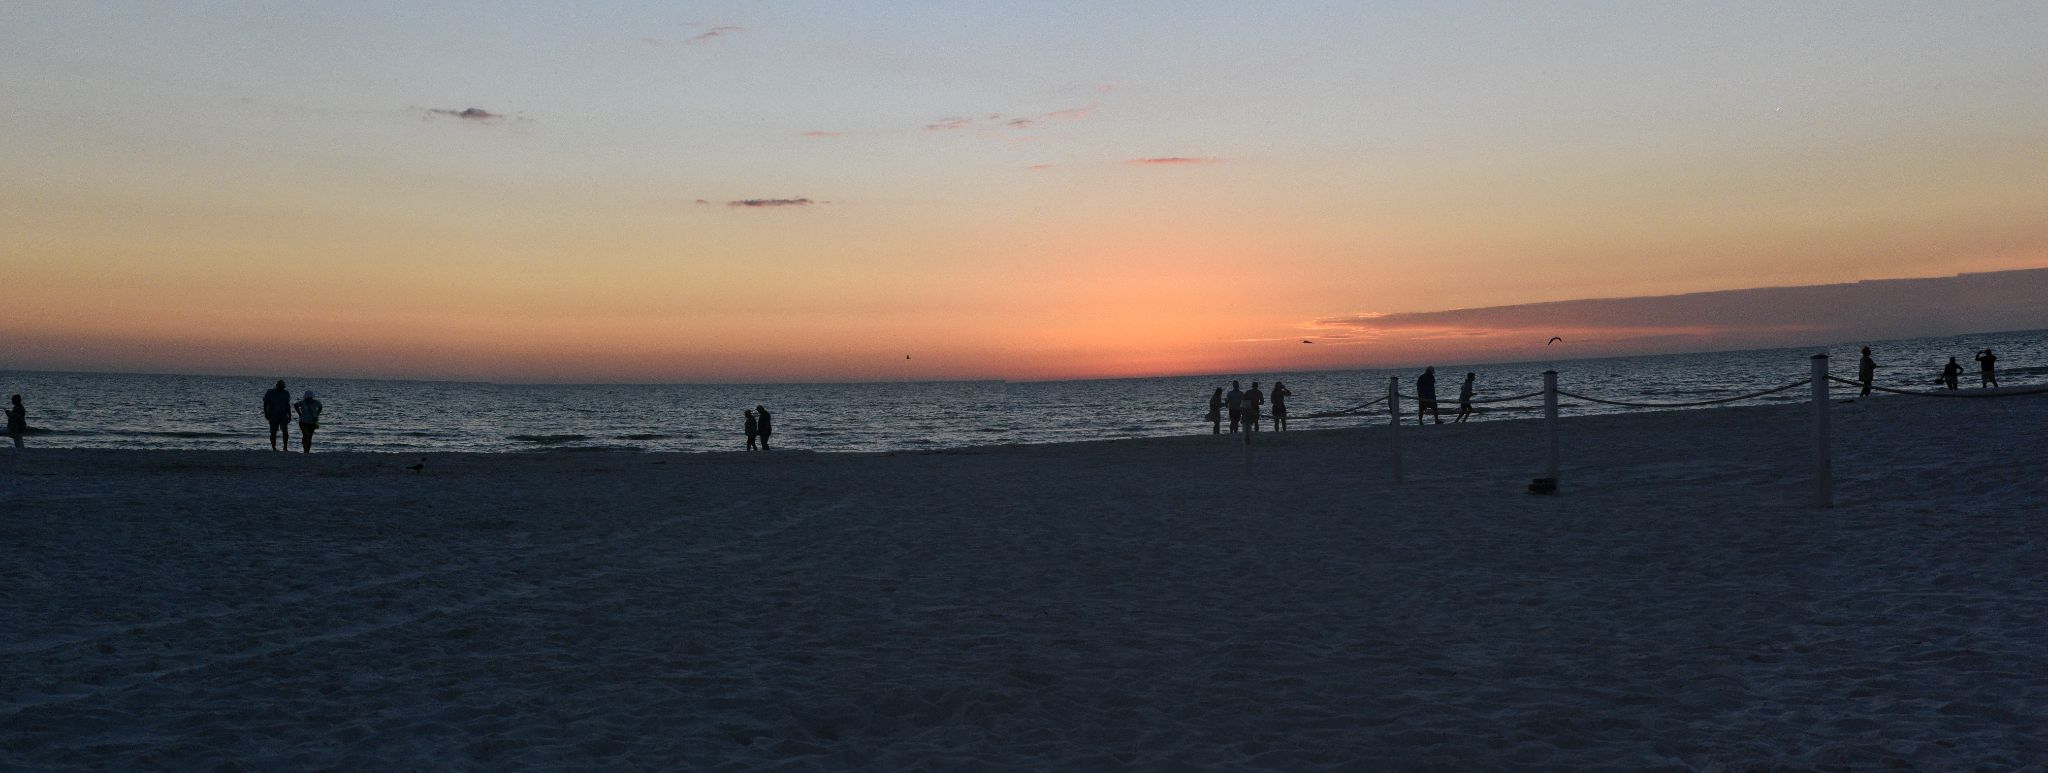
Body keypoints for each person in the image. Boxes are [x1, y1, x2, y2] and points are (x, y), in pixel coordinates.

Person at [263, 380, 293, 451]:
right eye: (280, 386)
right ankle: (273, 447)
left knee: (285, 431)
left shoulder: (286, 393)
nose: (281, 388)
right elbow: (265, 403)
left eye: (282, 387)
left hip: (283, 415)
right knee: (273, 432)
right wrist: (266, 413)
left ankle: (285, 447)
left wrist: (290, 414)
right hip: (272, 415)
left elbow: (287, 404)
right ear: (276, 386)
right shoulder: (270, 392)